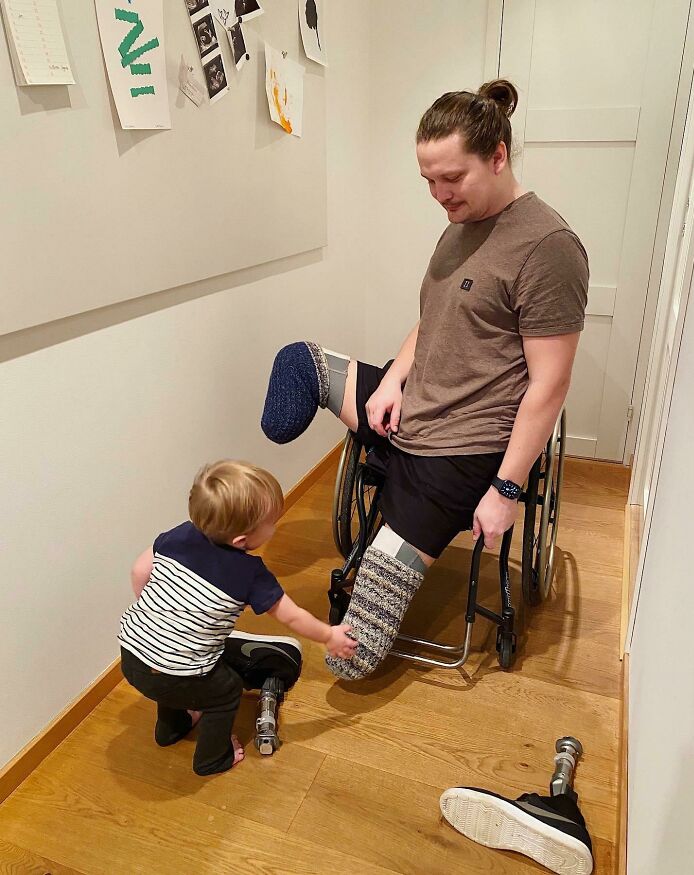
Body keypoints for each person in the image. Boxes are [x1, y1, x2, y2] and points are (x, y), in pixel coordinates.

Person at [261, 79, 589, 681]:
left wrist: (508, 491)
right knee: (298, 361)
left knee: (350, 663)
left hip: (461, 448)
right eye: (428, 181)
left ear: (498, 156)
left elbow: (550, 385)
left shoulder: (548, 247)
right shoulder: (458, 223)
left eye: (452, 178)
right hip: (408, 401)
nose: (439, 195)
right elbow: (432, 320)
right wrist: (391, 382)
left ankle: (400, 519)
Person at [118, 460, 357, 776]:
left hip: (131, 654)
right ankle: (212, 759)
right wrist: (329, 636)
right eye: (273, 521)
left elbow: (139, 571)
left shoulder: (181, 535)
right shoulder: (250, 574)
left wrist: (159, 618)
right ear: (241, 541)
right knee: (226, 690)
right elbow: (293, 617)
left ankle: (171, 727)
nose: (276, 525)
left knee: (171, 669)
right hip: (177, 673)